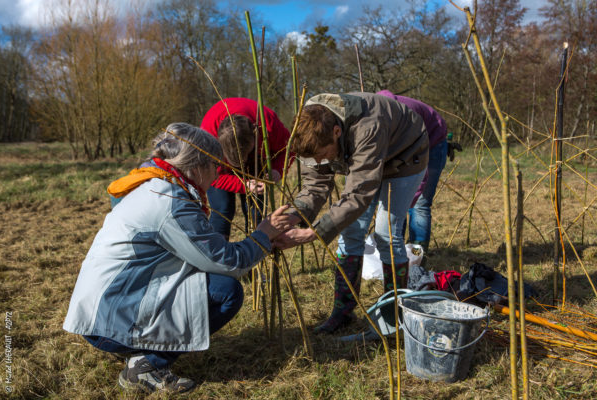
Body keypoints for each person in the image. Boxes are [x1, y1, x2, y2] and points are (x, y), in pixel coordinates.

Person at [63, 123, 294, 393]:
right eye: (215, 166)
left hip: (103, 309)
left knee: (205, 283)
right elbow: (228, 263)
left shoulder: (153, 182)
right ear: (197, 166)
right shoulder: (170, 201)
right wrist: (263, 235)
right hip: (110, 317)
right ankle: (146, 365)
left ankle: (138, 346)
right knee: (226, 292)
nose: (217, 174)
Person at [274, 92, 429, 333]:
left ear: (337, 131)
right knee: (351, 231)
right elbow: (314, 186)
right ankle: (343, 311)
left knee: (386, 234)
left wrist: (314, 233)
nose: (319, 160)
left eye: (323, 155)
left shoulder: (368, 126)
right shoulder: (309, 132)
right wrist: (292, 217)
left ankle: (393, 312)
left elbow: (358, 194)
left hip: (405, 157)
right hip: (363, 162)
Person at [201, 98, 293, 239]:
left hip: (256, 162)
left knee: (255, 211)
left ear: (255, 136)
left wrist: (277, 170)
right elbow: (212, 177)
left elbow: (288, 148)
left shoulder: (268, 123)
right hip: (220, 168)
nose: (241, 163)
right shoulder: (207, 136)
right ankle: (217, 255)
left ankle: (254, 251)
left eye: (244, 156)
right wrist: (244, 185)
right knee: (222, 209)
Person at [377, 90, 449, 252]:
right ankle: (397, 248)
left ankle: (418, 252)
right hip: (409, 144)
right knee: (396, 202)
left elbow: (421, 172)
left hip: (433, 141)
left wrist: (406, 202)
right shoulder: (375, 119)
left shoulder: (405, 120)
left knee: (420, 204)